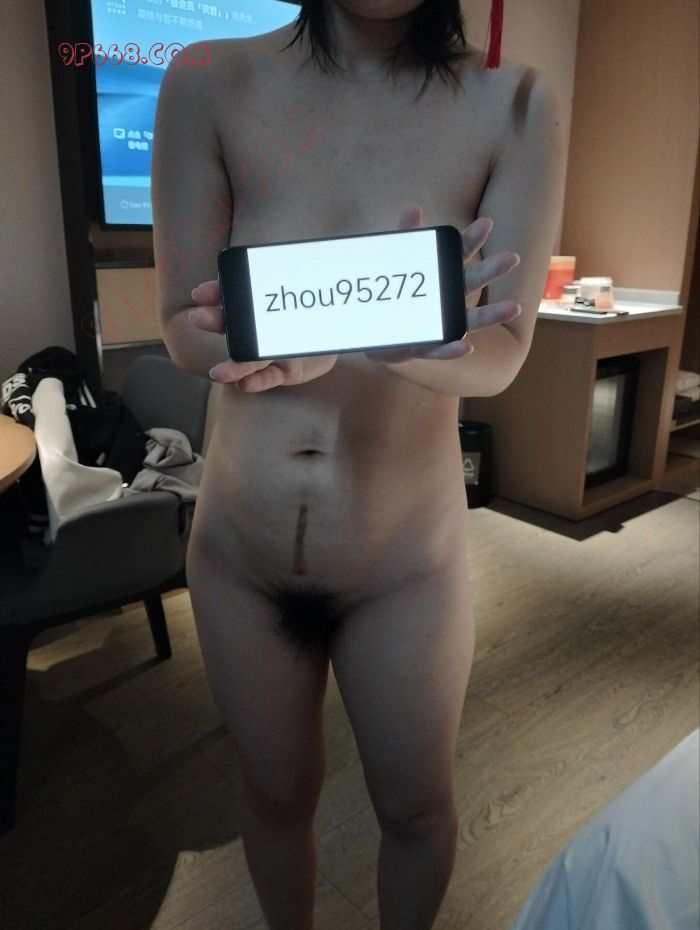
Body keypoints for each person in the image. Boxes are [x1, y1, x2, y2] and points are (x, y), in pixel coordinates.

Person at [151, 1, 566, 927]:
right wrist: (277, 341)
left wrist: (394, 344)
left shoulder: (515, 101)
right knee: (272, 799)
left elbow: (502, 352)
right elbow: (181, 322)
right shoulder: (207, 80)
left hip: (404, 563)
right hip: (241, 552)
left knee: (416, 811)